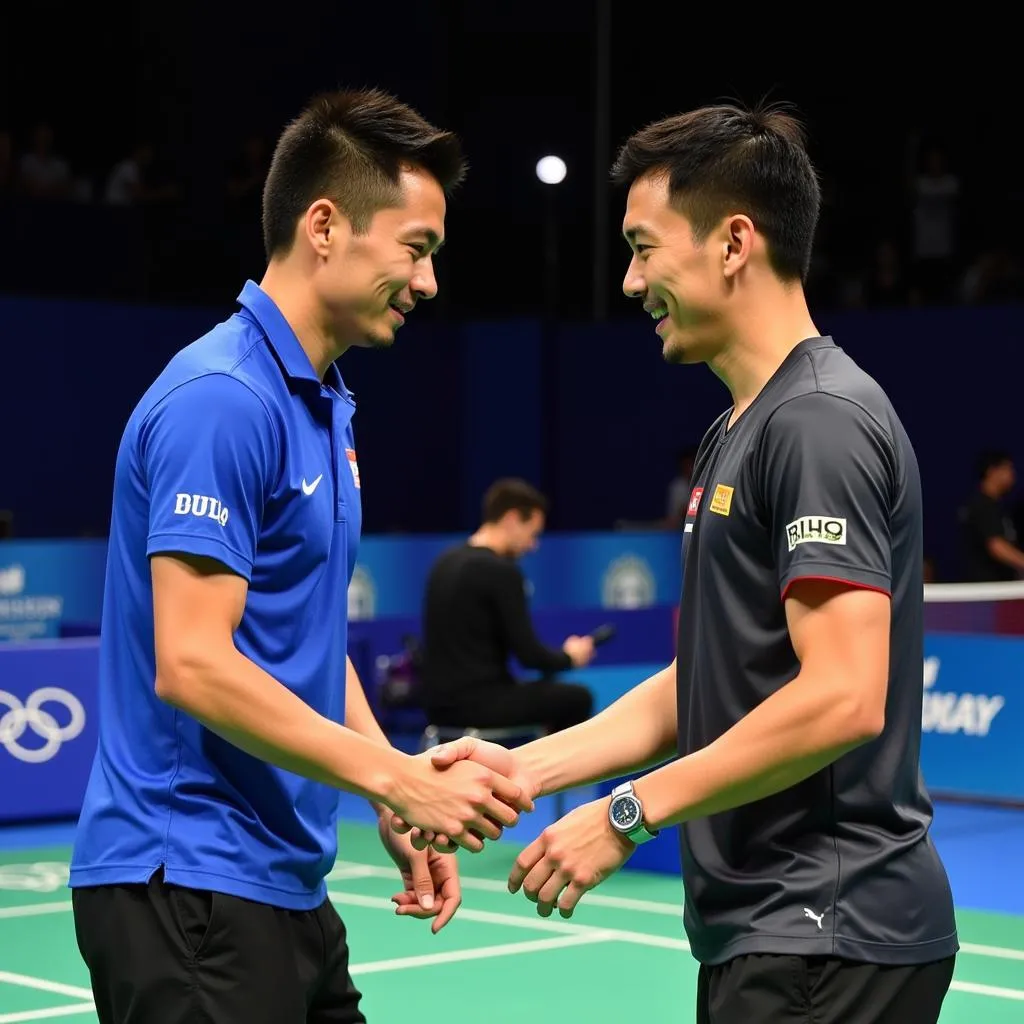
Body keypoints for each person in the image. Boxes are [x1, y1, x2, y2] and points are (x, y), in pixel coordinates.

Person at [399, 102, 959, 1023]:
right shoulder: (737, 428)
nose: (628, 281)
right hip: (769, 928)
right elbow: (697, 685)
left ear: (734, 242)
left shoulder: (819, 421)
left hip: (830, 925)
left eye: (644, 248)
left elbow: (845, 693)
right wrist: (523, 772)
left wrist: (628, 813)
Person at [68, 88, 531, 1024]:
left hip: (281, 882)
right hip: (187, 885)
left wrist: (388, 790)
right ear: (325, 226)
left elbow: (302, 641)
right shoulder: (222, 400)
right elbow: (194, 665)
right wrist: (394, 778)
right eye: (418, 248)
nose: (430, 282)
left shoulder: (322, 405)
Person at [419, 477, 595, 734]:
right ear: (512, 519)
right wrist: (570, 657)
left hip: (436, 706)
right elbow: (529, 655)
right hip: (480, 704)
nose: (533, 546)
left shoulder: (443, 562)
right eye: (532, 534)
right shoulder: (502, 572)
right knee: (578, 698)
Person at [957, 448, 1024, 580]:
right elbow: (996, 546)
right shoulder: (982, 505)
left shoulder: (999, 507)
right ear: (991, 471)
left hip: (1001, 586)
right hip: (986, 590)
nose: (1012, 474)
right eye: (1007, 468)